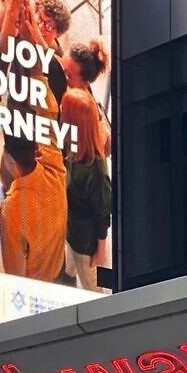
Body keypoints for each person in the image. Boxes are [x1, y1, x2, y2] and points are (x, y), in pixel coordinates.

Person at [0, 119, 67, 281]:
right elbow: (49, 139)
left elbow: (15, 273)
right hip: (59, 265)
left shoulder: (11, 211)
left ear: (8, 155)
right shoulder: (54, 164)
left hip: (38, 284)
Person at [60, 88, 111, 292]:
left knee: (93, 288)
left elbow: (102, 214)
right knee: (70, 269)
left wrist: (99, 251)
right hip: (71, 231)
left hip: (86, 245)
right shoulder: (71, 147)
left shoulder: (96, 171)